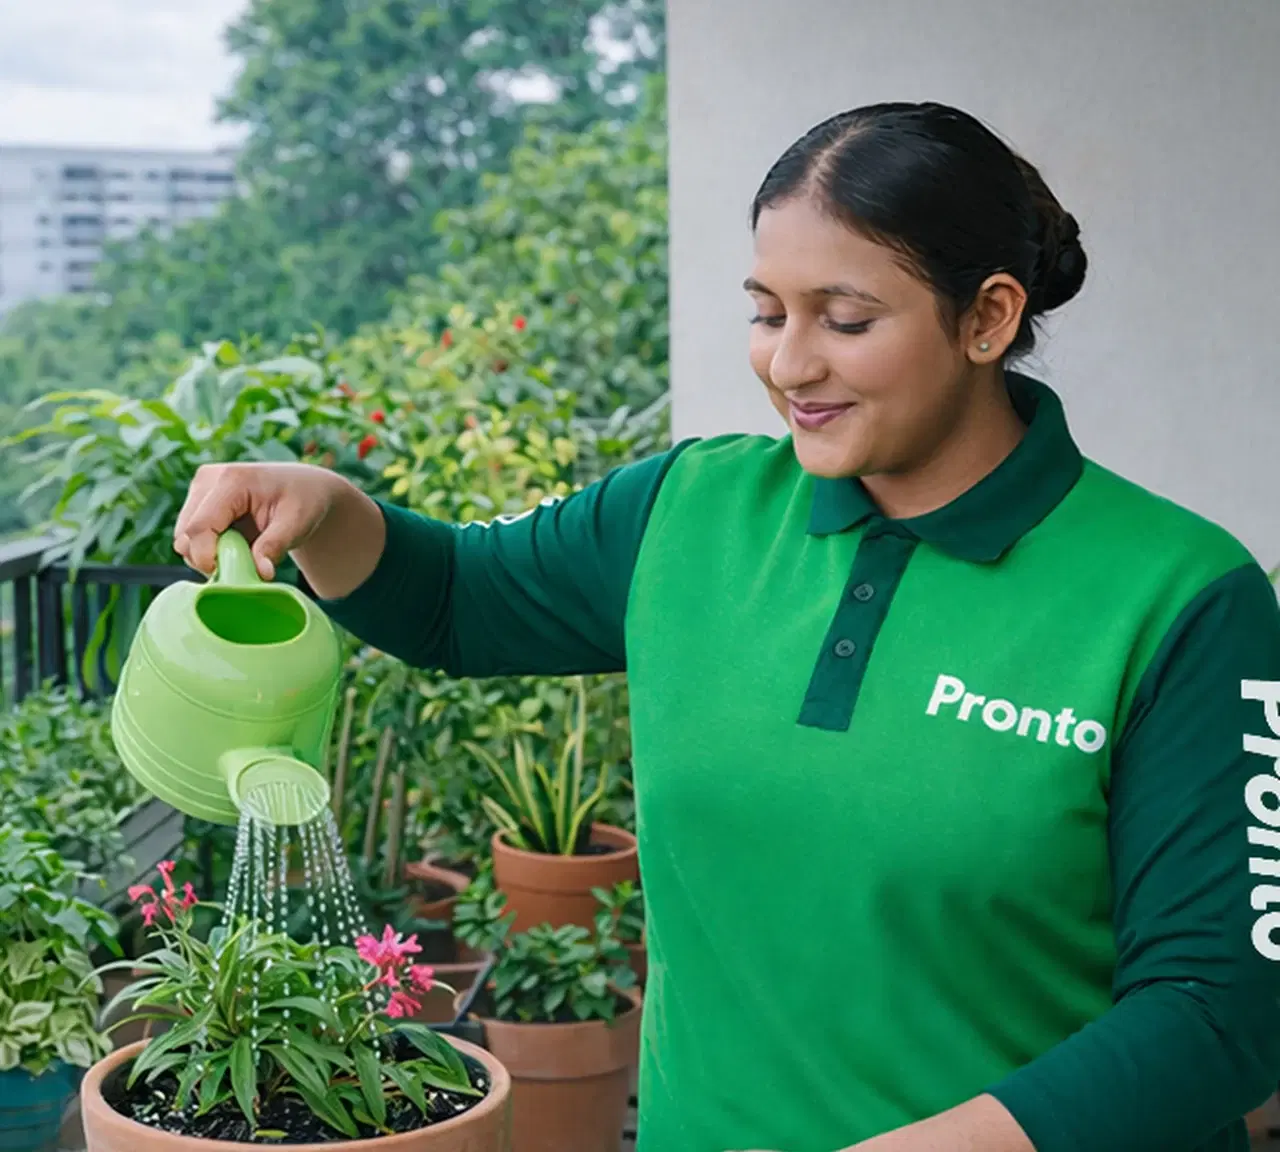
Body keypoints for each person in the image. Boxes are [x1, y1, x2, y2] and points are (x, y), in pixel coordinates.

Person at [173, 101, 1280, 1152]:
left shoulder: (1181, 598)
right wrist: (321, 502)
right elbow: (457, 598)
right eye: (765, 312)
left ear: (986, 317)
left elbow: (1221, 1012)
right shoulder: (687, 511)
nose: (788, 364)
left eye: (844, 320)